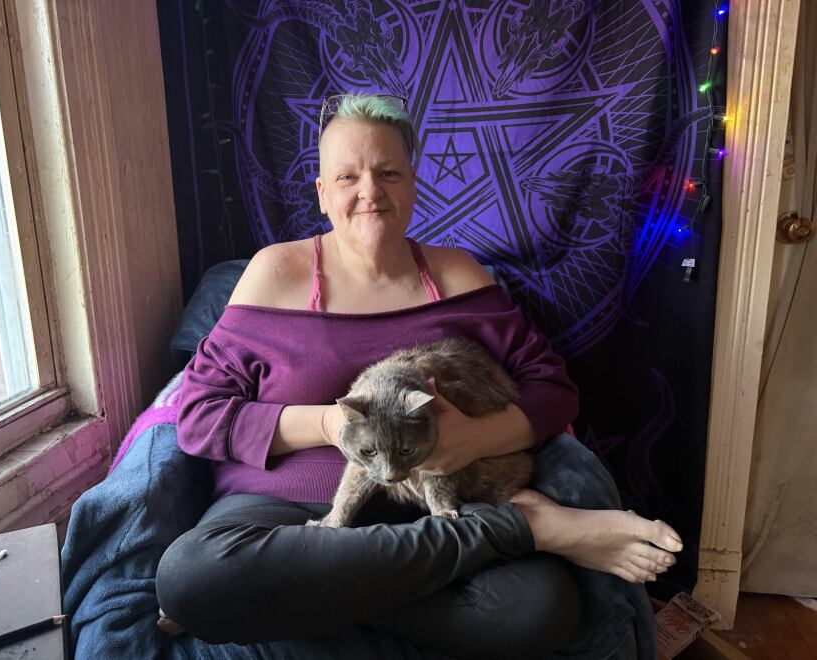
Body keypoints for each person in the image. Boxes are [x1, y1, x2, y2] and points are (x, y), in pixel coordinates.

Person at [156, 93, 683, 658]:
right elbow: (198, 415)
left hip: (436, 512)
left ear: (412, 183)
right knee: (193, 575)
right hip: (284, 517)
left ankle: (306, 607)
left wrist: (473, 440)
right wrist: (331, 426)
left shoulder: (456, 275)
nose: (369, 192)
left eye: (388, 173)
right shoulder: (275, 273)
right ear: (322, 192)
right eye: (347, 176)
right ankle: (530, 528)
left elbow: (552, 391)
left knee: (537, 608)